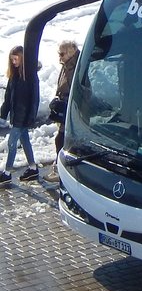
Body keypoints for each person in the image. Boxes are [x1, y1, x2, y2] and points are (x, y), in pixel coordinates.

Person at [1, 45, 40, 183]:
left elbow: (34, 99)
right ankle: (33, 168)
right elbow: (8, 98)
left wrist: (31, 117)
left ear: (23, 58)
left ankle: (7, 172)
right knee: (25, 141)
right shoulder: (14, 76)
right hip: (17, 116)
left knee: (12, 143)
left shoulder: (30, 76)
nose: (14, 62)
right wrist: (2, 115)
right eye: (12, 60)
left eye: (16, 59)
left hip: (23, 118)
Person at [45, 40, 79, 184]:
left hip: (71, 109)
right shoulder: (66, 66)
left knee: (62, 139)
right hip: (64, 108)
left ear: (71, 52)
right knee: (62, 139)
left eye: (62, 54)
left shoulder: (76, 67)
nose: (59, 57)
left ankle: (62, 169)